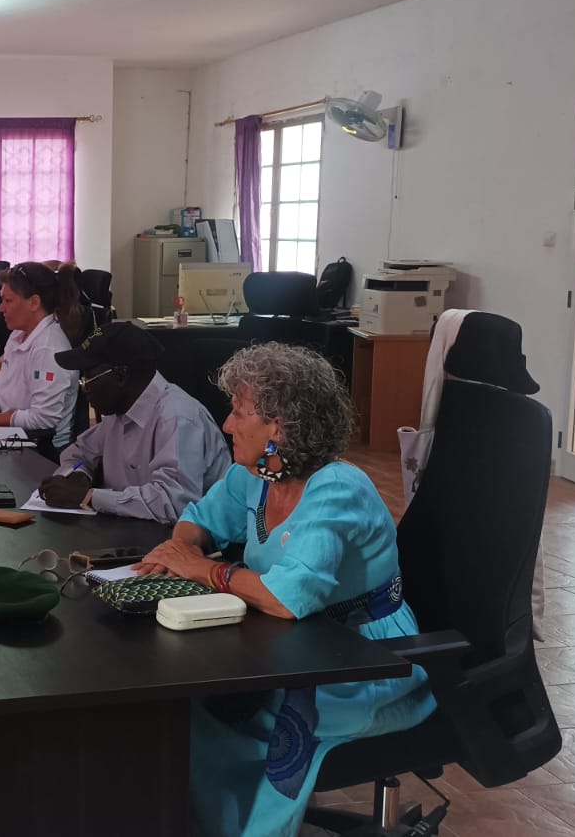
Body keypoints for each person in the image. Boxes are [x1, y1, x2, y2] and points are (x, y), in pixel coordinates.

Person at [134, 343, 435, 836]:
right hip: (298, 648)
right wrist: (179, 552)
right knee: (187, 708)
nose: (227, 424)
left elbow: (289, 598)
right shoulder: (254, 476)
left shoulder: (338, 488)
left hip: (366, 660)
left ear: (280, 426)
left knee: (229, 718)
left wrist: (206, 571)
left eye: (238, 412)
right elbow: (198, 520)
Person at [38, 321, 230, 519]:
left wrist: (89, 496)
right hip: (130, 532)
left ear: (121, 375)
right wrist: (79, 474)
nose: (84, 389)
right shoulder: (118, 414)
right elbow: (80, 456)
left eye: (88, 379)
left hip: (184, 541)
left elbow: (173, 503)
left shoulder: (177, 418)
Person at [0, 262, 81, 454]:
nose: (1, 308)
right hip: (11, 437)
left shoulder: (48, 348)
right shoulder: (18, 335)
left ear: (34, 303)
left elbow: (43, 420)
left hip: (41, 449)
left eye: (8, 301)